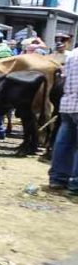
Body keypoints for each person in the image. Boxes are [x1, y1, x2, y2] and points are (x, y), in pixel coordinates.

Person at [49, 43, 78, 195]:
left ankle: (58, 179)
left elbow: (64, 78)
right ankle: (75, 183)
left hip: (67, 104)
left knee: (63, 143)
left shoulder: (73, 54)